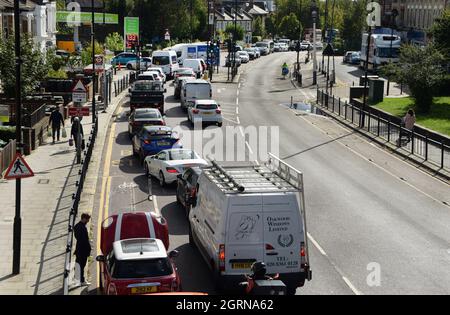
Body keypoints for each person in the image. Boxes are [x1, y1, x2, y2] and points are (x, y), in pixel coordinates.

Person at [74, 213, 92, 286]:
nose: (88, 221)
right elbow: (84, 241)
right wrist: (89, 249)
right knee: (82, 265)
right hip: (83, 251)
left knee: (78, 264)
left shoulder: (76, 226)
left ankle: (77, 279)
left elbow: (78, 238)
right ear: (84, 218)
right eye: (87, 219)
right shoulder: (83, 228)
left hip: (78, 249)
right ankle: (81, 281)